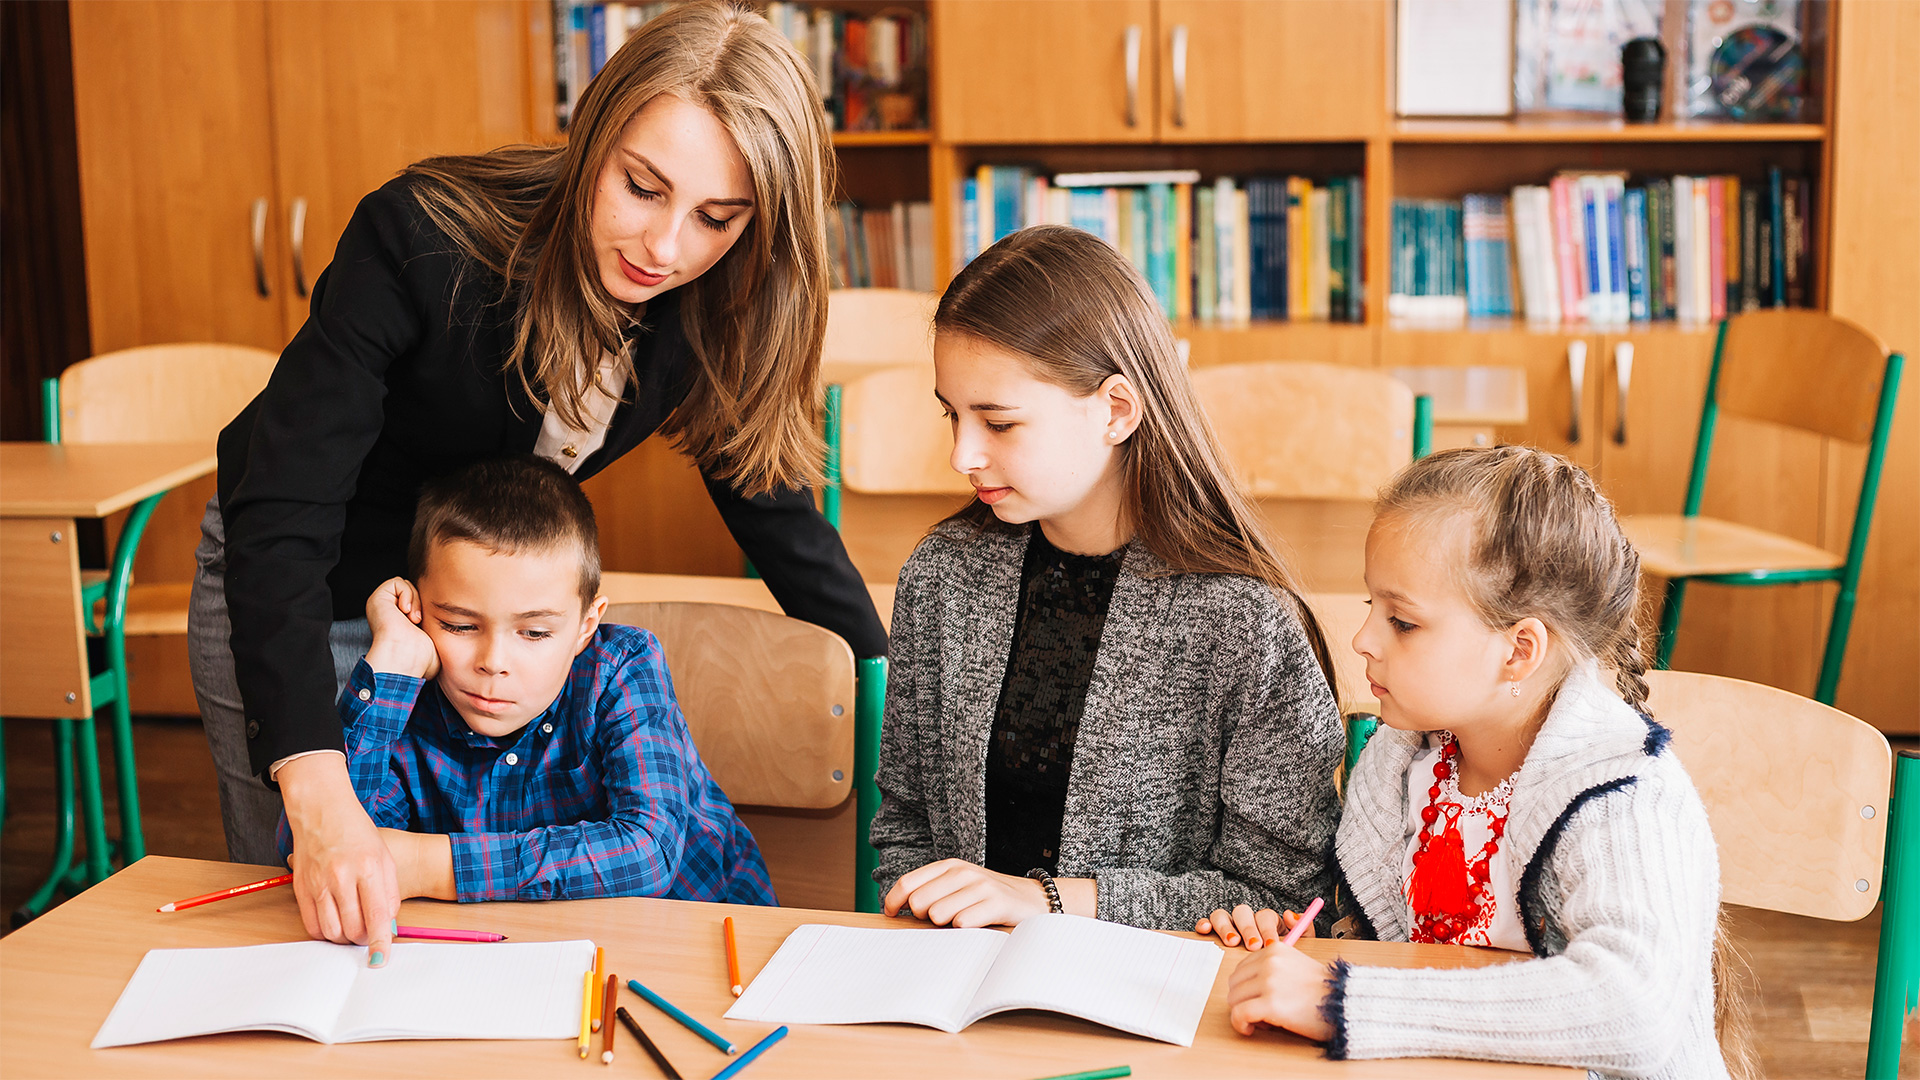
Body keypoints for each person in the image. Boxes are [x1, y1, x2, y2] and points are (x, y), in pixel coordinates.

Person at [190, 0, 879, 964]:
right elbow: (285, 514)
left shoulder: (714, 296)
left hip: (490, 603)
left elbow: (768, 499)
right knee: (321, 917)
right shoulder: (420, 239)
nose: (666, 248)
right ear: (593, 131)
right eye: (642, 188)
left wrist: (884, 673)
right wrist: (314, 783)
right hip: (317, 581)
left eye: (717, 217)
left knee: (481, 928)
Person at [1219, 446, 1751, 1080]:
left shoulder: (1627, 797)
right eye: (1371, 609)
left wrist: (1342, 1001)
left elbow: (1635, 1011)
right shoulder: (1400, 768)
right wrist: (1304, 943)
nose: (1364, 640)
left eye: (1403, 622)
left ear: (1519, 650)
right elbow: (1402, 953)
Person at [868, 225, 1345, 932]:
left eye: (998, 423)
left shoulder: (1243, 617)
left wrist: (1049, 902)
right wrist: (921, 905)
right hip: (960, 993)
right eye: (953, 415)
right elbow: (905, 828)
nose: (961, 454)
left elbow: (1283, 895)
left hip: (1157, 1009)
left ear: (1117, 410)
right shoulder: (942, 576)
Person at [274, 457, 773, 960]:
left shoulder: (622, 669)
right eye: (460, 626)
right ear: (418, 607)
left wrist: (430, 864)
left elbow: (649, 851)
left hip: (700, 947)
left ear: (585, 624)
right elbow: (321, 845)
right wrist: (394, 663)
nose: (493, 663)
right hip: (518, 957)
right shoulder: (407, 693)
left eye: (534, 633)